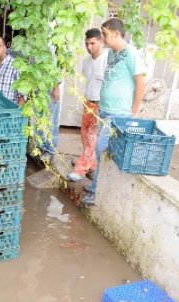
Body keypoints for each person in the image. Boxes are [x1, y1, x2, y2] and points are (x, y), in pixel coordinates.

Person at [80, 18, 146, 206]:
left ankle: (96, 193)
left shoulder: (132, 54)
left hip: (119, 114)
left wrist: (133, 112)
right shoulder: (110, 55)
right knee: (102, 151)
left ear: (117, 34)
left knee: (100, 147)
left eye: (105, 35)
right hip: (105, 110)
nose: (103, 38)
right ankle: (96, 189)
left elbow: (141, 83)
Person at [67, 28, 108, 182]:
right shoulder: (86, 61)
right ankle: (90, 164)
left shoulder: (107, 59)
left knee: (92, 138)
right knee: (85, 136)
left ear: (101, 42)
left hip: (100, 105)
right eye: (87, 44)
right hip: (88, 102)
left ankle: (81, 170)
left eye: (93, 43)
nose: (89, 47)